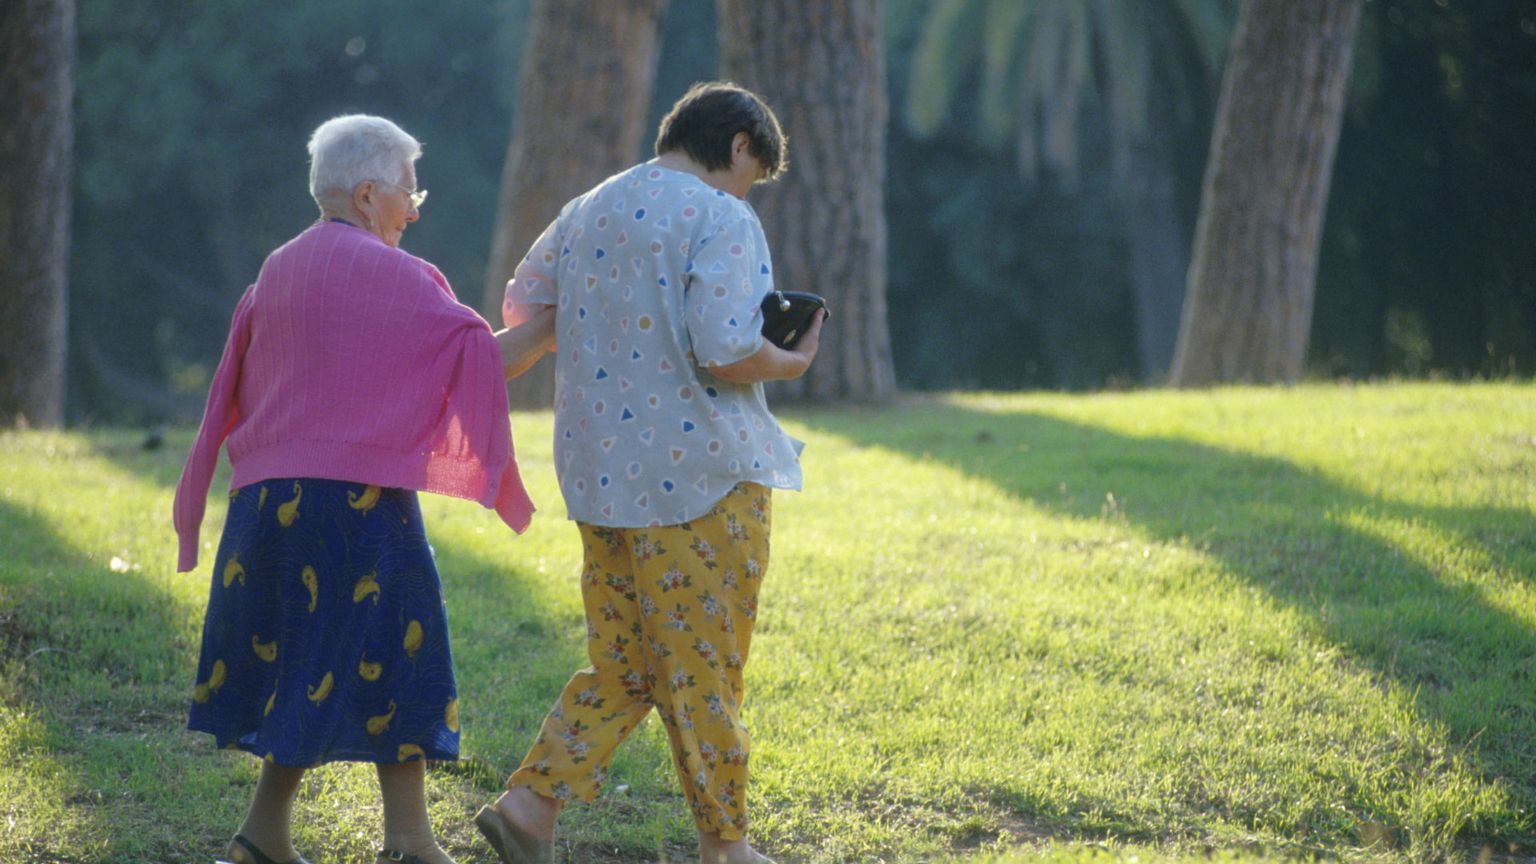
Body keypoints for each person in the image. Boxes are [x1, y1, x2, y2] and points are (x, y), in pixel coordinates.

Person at [173, 114, 551, 864]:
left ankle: (289, 838)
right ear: (370, 192)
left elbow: (232, 392)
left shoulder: (276, 268)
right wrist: (555, 321)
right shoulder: (394, 277)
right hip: (353, 505)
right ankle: (379, 842)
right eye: (411, 193)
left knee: (311, 661)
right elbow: (482, 360)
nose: (415, 211)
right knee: (392, 654)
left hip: (263, 508)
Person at [473, 81, 824, 864]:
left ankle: (530, 806)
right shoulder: (720, 214)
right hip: (702, 480)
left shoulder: (587, 207)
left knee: (625, 664)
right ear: (738, 144)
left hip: (601, 477)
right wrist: (792, 359)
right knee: (706, 668)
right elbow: (727, 348)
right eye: (751, 174)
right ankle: (725, 847)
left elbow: (529, 308)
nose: (747, 191)